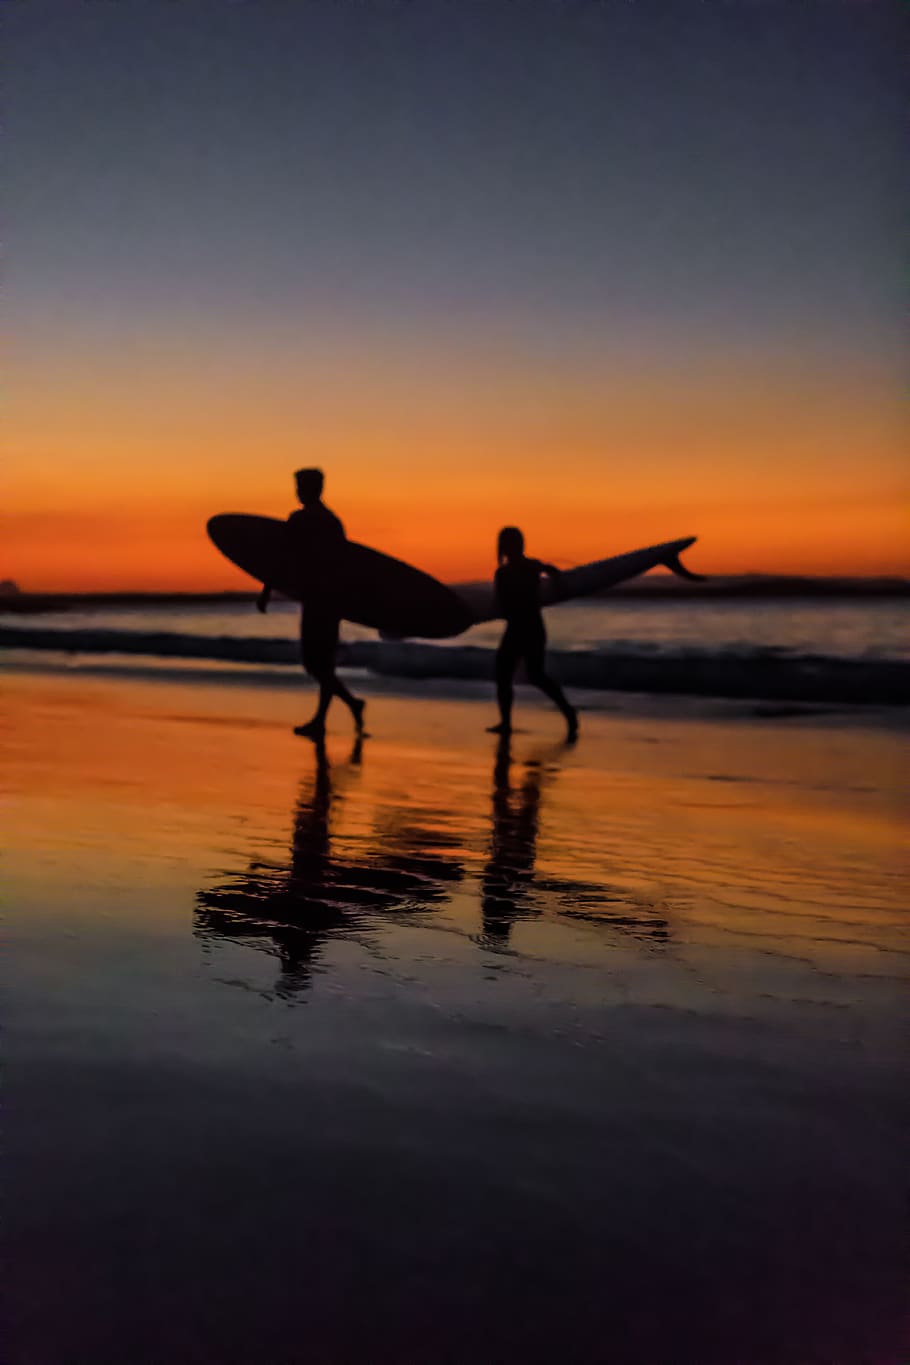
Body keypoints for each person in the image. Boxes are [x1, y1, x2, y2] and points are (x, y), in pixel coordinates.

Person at [257, 468, 366, 739]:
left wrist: (267, 589)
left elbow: (282, 557)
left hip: (318, 600)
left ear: (311, 489)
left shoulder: (301, 520)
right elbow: (346, 565)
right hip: (331, 599)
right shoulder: (333, 522)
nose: (298, 491)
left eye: (300, 486)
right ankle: (341, 709)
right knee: (322, 664)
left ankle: (332, 714)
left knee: (315, 664)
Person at [489, 526, 578, 740]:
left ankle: (507, 723)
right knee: (531, 675)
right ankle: (567, 711)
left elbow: (502, 604)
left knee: (508, 675)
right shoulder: (532, 566)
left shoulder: (505, 573)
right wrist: (560, 585)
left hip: (520, 628)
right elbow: (553, 571)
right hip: (533, 627)